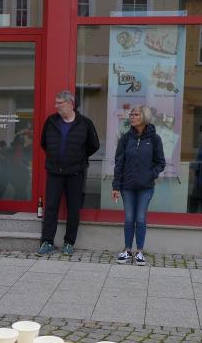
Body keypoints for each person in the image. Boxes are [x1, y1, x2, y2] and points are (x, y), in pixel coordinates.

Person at [37, 90, 100, 256]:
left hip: (75, 173)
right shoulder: (51, 121)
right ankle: (47, 241)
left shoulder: (85, 123)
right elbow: (44, 143)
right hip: (54, 171)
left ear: (71, 104)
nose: (56, 106)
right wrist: (55, 157)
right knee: (51, 207)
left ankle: (69, 243)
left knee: (73, 208)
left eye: (60, 103)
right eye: (56, 103)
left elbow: (94, 145)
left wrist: (79, 158)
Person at [111, 105, 165, 265]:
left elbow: (160, 162)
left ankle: (140, 252)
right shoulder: (125, 138)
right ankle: (127, 250)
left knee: (140, 218)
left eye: (135, 114)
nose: (132, 117)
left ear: (144, 117)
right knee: (129, 218)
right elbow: (119, 163)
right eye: (131, 114)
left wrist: (150, 175)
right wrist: (115, 186)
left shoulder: (155, 139)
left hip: (145, 187)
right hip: (127, 186)